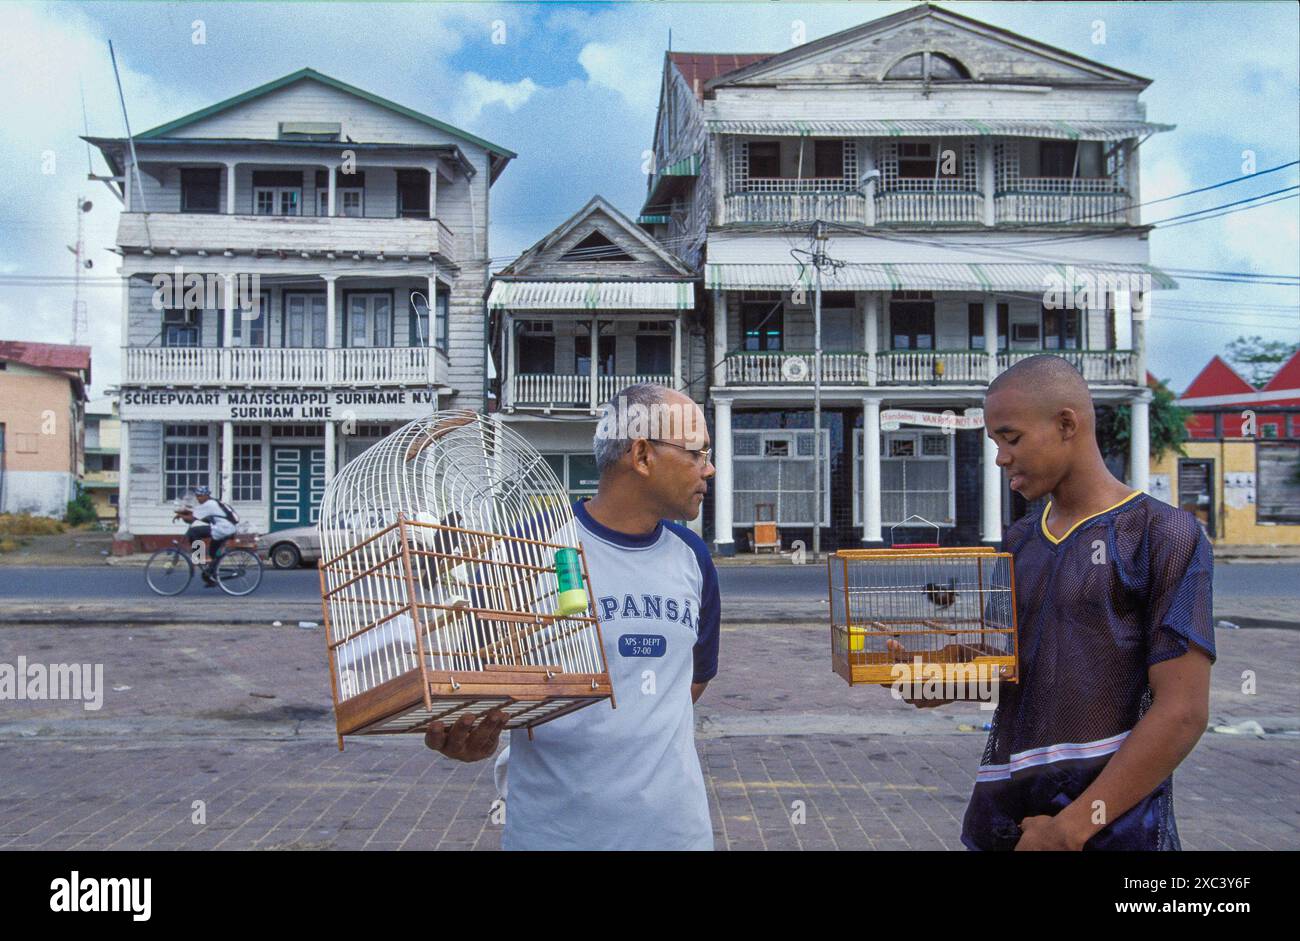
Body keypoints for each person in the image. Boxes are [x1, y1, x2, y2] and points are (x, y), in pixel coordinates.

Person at [917, 354, 1215, 850]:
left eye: (1011, 438)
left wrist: (1070, 829)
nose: (1000, 458)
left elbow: (1183, 711)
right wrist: (936, 678)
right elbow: (1009, 667)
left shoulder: (1162, 533)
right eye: (995, 443)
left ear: (1066, 424)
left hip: (1113, 828)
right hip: (1009, 819)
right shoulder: (1020, 540)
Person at [423, 383, 720, 850]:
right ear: (642, 456)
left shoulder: (693, 558)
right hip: (554, 835)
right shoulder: (523, 554)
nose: (710, 469)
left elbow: (693, 677)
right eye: (698, 453)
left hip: (674, 833)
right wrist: (471, 740)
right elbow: (477, 692)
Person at [174, 485, 240, 587]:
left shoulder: (209, 504)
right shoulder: (213, 502)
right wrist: (185, 513)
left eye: (200, 496)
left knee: (193, 532)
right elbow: (200, 516)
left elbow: (192, 518)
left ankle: (199, 557)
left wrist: (181, 515)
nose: (198, 498)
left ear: (206, 495)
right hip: (228, 528)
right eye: (197, 496)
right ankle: (211, 575)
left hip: (223, 529)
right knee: (213, 553)